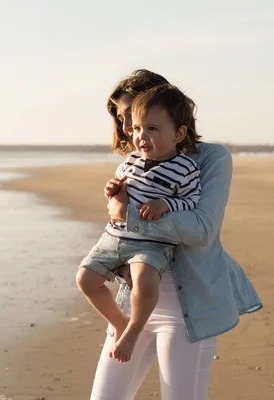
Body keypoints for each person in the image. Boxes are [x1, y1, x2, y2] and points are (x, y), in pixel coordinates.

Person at [90, 69, 263, 400]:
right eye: (125, 121)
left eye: (133, 117)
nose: (128, 130)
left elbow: (202, 229)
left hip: (187, 309)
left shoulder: (212, 158)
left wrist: (130, 217)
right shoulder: (135, 162)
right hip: (133, 304)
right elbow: (122, 230)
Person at [76, 84, 202, 363]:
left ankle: (134, 328)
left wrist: (166, 204)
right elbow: (120, 193)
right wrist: (112, 189)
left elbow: (192, 201)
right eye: (136, 129)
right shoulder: (131, 160)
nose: (141, 136)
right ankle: (120, 322)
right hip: (114, 236)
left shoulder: (185, 168)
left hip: (152, 242)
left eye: (152, 129)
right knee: (85, 278)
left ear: (178, 134)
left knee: (144, 279)